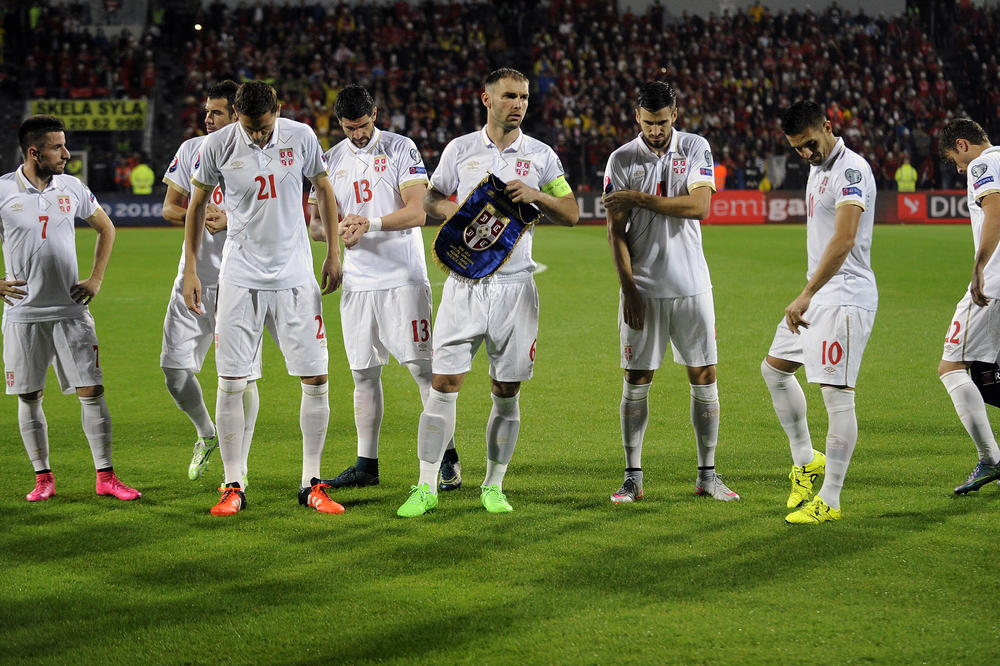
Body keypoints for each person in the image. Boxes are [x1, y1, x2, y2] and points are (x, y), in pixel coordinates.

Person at [397, 67, 579, 517]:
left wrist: (537, 194)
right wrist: (457, 208)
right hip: (464, 284)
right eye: (509, 96)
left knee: (506, 389)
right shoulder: (461, 150)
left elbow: (572, 211)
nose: (518, 104)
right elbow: (431, 200)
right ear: (486, 98)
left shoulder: (540, 155)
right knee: (444, 384)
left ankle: (493, 486)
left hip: (516, 289)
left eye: (524, 98)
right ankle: (425, 486)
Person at [182, 80, 343, 516]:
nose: (258, 135)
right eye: (251, 128)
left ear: (279, 110)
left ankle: (312, 482)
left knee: (316, 378)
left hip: (295, 277)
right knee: (231, 380)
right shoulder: (216, 145)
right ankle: (232, 483)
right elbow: (195, 205)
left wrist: (333, 252)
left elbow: (324, 190)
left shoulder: (302, 135)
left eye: (265, 127)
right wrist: (192, 268)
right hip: (240, 276)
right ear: (236, 113)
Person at [306, 84, 462, 491]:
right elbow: (315, 225)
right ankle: (366, 465)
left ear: (374, 113)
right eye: (348, 127)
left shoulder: (400, 148)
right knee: (362, 374)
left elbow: (417, 213)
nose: (356, 134)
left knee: (423, 372)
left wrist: (368, 223)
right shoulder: (330, 159)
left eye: (362, 125)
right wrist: (339, 232)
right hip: (358, 284)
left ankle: (447, 459)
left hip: (402, 280)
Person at [603, 81, 738, 505]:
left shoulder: (696, 147)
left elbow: (700, 207)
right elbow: (615, 231)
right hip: (642, 287)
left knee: (704, 375)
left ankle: (707, 475)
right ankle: (632, 477)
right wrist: (628, 289)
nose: (656, 130)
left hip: (692, 286)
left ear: (674, 115)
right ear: (636, 117)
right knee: (637, 378)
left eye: (662, 122)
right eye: (648, 123)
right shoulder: (621, 159)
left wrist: (640, 198)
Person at [1, 115, 140, 502]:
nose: (66, 154)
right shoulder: (2, 192)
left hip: (71, 311)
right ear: (34, 152)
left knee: (92, 390)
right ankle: (43, 478)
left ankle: (106, 477)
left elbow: (106, 227)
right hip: (23, 314)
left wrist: (95, 278)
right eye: (57, 147)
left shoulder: (72, 187)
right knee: (29, 396)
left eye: (65, 145)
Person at [760, 101, 877, 525]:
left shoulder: (850, 170)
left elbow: (844, 239)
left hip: (843, 298)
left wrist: (806, 292)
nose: (805, 154)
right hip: (819, 296)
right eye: (797, 149)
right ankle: (807, 460)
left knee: (837, 397)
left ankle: (830, 498)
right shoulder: (817, 168)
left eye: (809, 144)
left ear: (828, 127)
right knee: (774, 371)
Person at [161, 80, 260, 486]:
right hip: (194, 276)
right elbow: (170, 207)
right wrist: (204, 216)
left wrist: (232, 219)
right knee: (174, 370)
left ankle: (241, 465)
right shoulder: (190, 151)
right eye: (206, 111)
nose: (207, 118)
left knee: (243, 376)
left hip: (240, 279)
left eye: (216, 112)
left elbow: (273, 216)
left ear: (236, 114)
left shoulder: (259, 154)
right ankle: (207, 432)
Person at [936, 118, 1000, 494]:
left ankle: (991, 459)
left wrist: (978, 268)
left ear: (963, 145)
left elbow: (994, 212)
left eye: (955, 162)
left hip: (992, 284)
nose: (960, 170)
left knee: (951, 366)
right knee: (989, 374)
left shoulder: (982, 164)